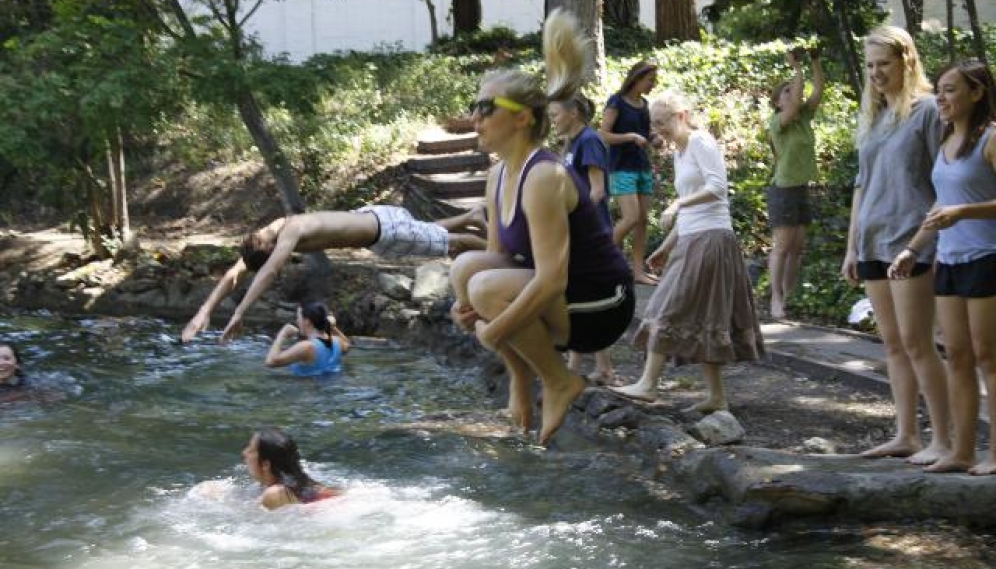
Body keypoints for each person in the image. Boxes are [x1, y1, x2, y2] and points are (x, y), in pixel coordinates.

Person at [450, 9, 635, 445]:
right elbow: (503, 258)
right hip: (563, 300)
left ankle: (559, 380)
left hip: (602, 304)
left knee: (485, 290)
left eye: (485, 108)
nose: (475, 118)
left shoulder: (543, 176)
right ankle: (520, 379)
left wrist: (492, 332)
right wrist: (478, 320)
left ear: (521, 118)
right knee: (465, 270)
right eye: (474, 107)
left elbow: (553, 278)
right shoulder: (498, 176)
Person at [610, 91, 764, 411]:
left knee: (667, 306)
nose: (658, 130)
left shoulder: (700, 142)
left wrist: (678, 202)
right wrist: (666, 247)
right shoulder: (679, 153)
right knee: (704, 316)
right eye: (654, 124)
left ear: (682, 116)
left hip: (712, 240)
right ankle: (716, 397)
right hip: (692, 239)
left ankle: (649, 385)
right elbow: (691, 211)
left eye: (663, 122)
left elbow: (717, 188)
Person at [840, 25, 951, 464]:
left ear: (906, 60)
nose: (875, 73)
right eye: (869, 65)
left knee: (919, 342)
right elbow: (861, 186)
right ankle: (907, 435)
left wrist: (930, 238)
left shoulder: (927, 111)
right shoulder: (873, 115)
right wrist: (852, 246)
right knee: (892, 345)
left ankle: (942, 439)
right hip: (872, 241)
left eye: (883, 63)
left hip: (912, 239)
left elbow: (946, 180)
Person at [889, 59, 996, 474]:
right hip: (948, 260)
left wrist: (965, 211)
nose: (942, 98)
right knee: (956, 355)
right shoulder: (947, 141)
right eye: (941, 90)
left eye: (951, 90)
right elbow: (940, 205)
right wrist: (913, 249)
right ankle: (962, 451)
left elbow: (957, 207)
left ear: (977, 93)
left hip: (987, 259)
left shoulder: (990, 137)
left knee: (989, 356)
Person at [180, 205, 487, 344]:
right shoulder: (270, 230)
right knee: (426, 233)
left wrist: (240, 313)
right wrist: (204, 311)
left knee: (457, 245)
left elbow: (270, 270)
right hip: (377, 224)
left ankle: (497, 247)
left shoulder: (292, 230)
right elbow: (236, 273)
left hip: (384, 231)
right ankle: (472, 216)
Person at [548, 94, 618, 385]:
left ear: (573, 113)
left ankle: (584, 366)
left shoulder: (589, 140)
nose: (552, 121)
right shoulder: (573, 143)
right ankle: (594, 366)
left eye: (555, 115)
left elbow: (598, 190)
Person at [767, 46, 825, 319]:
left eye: (794, 89)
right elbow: (798, 98)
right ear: (778, 102)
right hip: (783, 189)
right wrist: (797, 69)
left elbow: (817, 91)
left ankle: (789, 297)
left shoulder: (803, 117)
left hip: (800, 187)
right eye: (787, 91)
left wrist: (814, 62)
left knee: (798, 246)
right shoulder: (779, 121)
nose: (794, 93)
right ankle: (775, 298)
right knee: (782, 245)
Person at [600, 60, 658, 286]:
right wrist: (630, 137)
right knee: (631, 218)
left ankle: (637, 271)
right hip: (621, 167)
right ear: (637, 78)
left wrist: (655, 139)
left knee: (643, 220)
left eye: (654, 81)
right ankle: (601, 258)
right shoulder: (616, 102)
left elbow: (647, 133)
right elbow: (603, 134)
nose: (653, 84)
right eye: (649, 80)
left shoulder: (645, 104)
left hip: (642, 167)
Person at [242, 428, 342, 510]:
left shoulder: (275, 493)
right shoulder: (302, 483)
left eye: (251, 450)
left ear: (265, 464)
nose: (244, 453)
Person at [265, 301, 351, 376]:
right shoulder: (338, 342)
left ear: (307, 321)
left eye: (298, 317)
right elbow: (348, 345)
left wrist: (282, 334)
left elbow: (270, 362)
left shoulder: (306, 347)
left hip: (309, 390)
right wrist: (332, 328)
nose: (297, 321)